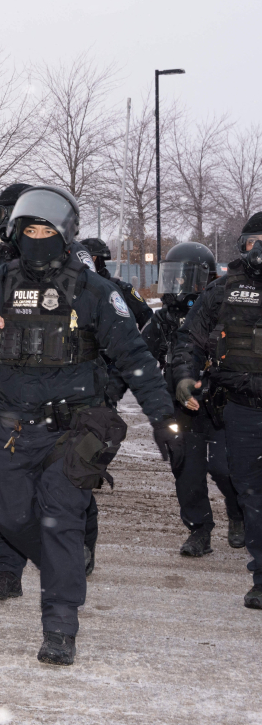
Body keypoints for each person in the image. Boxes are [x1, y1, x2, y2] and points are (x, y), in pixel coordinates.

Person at [0, 185, 176, 664]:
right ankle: (65, 573)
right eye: (29, 230)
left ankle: (60, 625)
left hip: (73, 430)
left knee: (61, 523)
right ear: (16, 233)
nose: (37, 238)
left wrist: (163, 418)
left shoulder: (94, 290)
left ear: (64, 235)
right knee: (13, 518)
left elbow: (134, 356)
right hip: (14, 430)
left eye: (46, 230)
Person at [171, 213, 262, 610]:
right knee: (251, 492)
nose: (259, 250)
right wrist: (184, 377)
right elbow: (189, 338)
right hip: (241, 409)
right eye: (253, 242)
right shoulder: (224, 290)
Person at [141, 241, 243, 556]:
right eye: (173, 278)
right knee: (187, 472)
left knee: (228, 468)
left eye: (185, 279)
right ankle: (199, 530)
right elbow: (136, 359)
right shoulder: (161, 320)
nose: (178, 288)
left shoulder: (225, 312)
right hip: (181, 408)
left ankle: (238, 514)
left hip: (223, 404)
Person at [80, 238, 153, 329]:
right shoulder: (73, 292)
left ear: (98, 260)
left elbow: (148, 323)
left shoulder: (122, 290)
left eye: (91, 258)